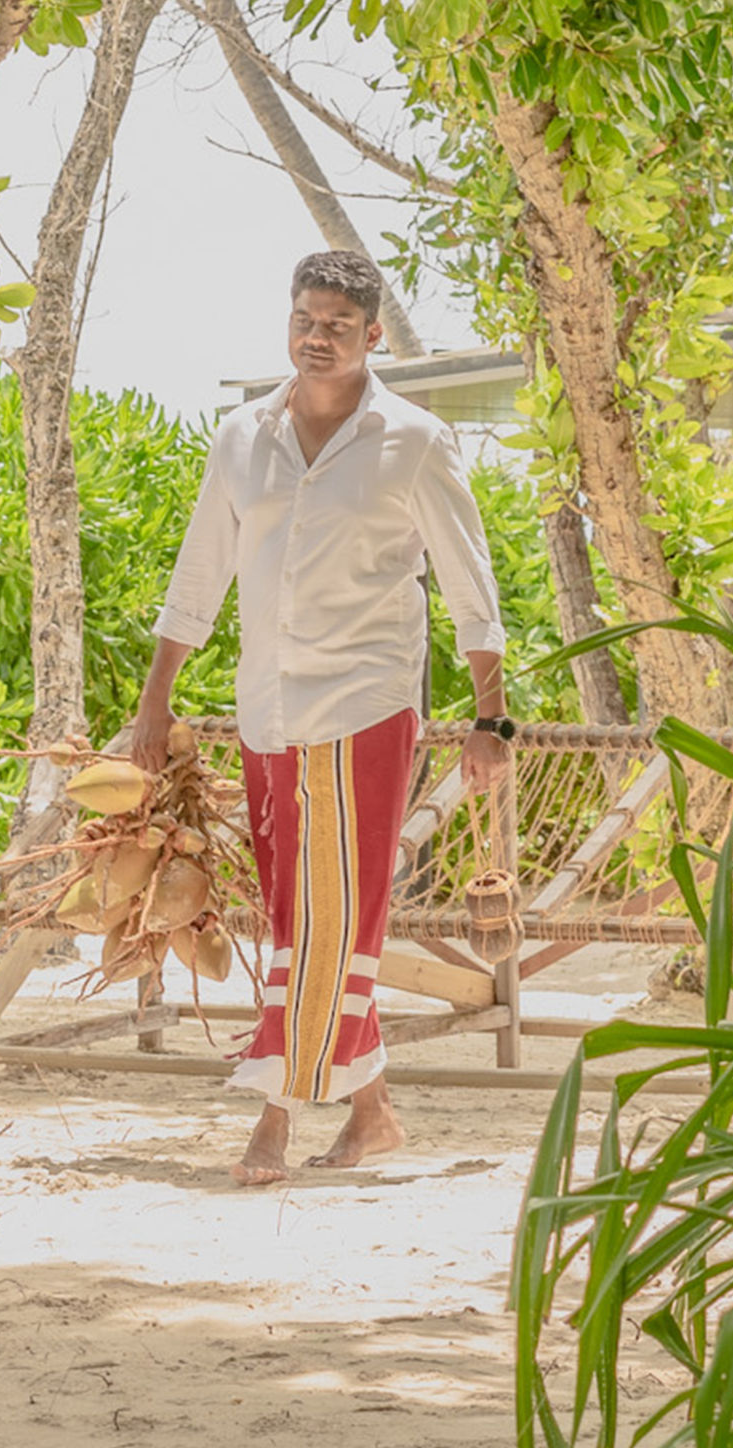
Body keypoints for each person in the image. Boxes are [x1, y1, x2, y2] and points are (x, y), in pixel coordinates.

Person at [131, 250, 510, 1187]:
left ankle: (273, 1119)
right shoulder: (241, 438)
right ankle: (373, 1115)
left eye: (339, 325)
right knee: (303, 917)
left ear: (373, 335)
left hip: (369, 705)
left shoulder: (413, 439)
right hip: (267, 706)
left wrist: (490, 716)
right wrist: (156, 697)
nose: (318, 337)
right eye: (306, 319)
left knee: (333, 923)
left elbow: (468, 583)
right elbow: (198, 574)